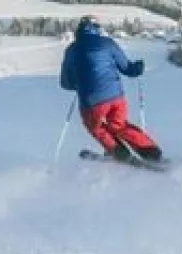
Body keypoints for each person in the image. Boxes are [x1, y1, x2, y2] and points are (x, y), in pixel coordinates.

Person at [60, 16, 161, 163]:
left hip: (92, 102)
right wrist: (137, 68)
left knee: (96, 128)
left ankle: (120, 153)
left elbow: (65, 83)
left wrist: (79, 83)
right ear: (97, 29)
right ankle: (151, 151)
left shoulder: (71, 50)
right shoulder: (108, 43)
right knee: (119, 126)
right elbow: (127, 68)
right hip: (116, 98)